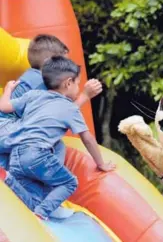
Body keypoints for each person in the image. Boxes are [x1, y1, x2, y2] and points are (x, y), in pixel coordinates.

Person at [0, 56, 115, 220]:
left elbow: (4, 107)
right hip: (37, 155)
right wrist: (101, 164)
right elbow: (87, 138)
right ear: (68, 83)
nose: (78, 88)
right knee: (69, 183)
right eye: (77, 83)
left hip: (16, 155)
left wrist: (8, 90)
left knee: (30, 200)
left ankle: (7, 178)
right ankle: (42, 213)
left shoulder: (33, 95)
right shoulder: (70, 108)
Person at [0, 34, 102, 170]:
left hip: (8, 134)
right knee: (55, 146)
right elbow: (60, 115)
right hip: (11, 136)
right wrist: (85, 95)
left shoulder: (30, 77)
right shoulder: (41, 85)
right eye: (62, 64)